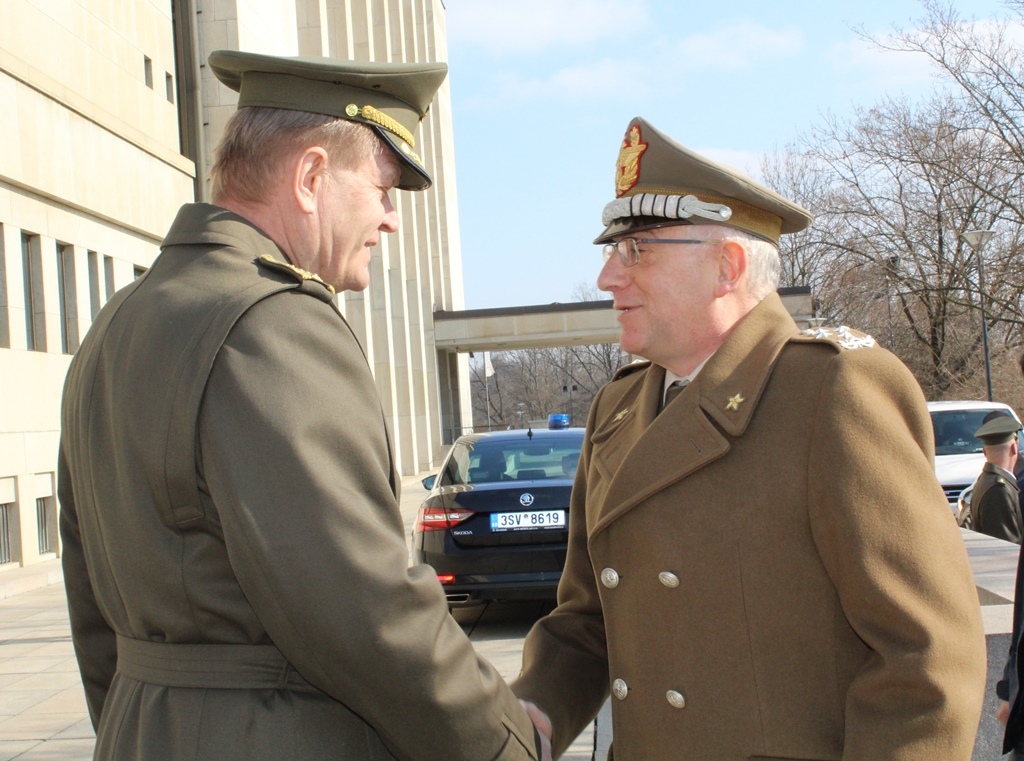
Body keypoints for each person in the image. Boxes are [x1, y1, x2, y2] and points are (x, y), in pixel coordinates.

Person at [58, 50, 545, 761]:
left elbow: (93, 615)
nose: (390, 220)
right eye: (382, 188)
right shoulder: (272, 324)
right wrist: (507, 739)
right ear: (312, 178)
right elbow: (368, 611)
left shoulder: (116, 325)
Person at [511, 116, 987, 759]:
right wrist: (532, 716)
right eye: (611, 253)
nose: (608, 279)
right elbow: (589, 619)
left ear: (727, 265)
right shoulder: (619, 407)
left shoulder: (833, 390)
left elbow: (926, 659)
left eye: (637, 251)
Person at [970, 413, 1023, 543]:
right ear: (1014, 447)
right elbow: (1007, 547)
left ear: (984, 452)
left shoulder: (986, 481)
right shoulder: (998, 490)